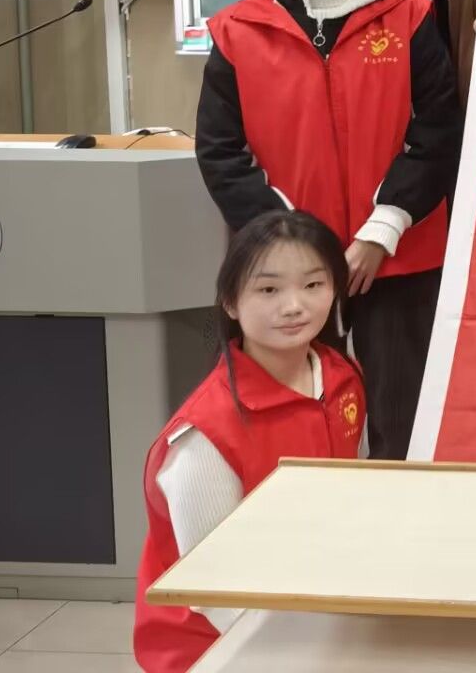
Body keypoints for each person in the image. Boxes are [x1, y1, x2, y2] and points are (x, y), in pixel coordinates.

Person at [196, 0, 458, 461]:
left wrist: (382, 230)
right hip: (285, 268)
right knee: (295, 414)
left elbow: (438, 131)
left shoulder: (410, 16)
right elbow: (220, 150)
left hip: (398, 255)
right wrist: (294, 246)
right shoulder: (238, 29)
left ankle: (402, 516)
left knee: (405, 418)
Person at [134, 211, 367, 672]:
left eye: (313, 285)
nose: (294, 306)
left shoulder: (342, 377)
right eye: (268, 290)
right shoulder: (204, 436)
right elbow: (214, 591)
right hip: (215, 639)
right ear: (230, 302)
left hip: (310, 604)